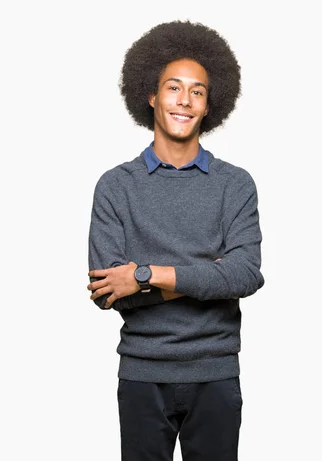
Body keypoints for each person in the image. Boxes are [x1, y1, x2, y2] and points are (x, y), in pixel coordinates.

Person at [86, 19, 264, 461]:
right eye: (173, 88)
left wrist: (146, 274)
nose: (184, 101)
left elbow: (244, 275)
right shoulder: (115, 187)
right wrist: (207, 275)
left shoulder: (235, 185)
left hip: (217, 374)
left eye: (197, 91)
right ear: (151, 95)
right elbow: (110, 292)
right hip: (143, 376)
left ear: (209, 105)